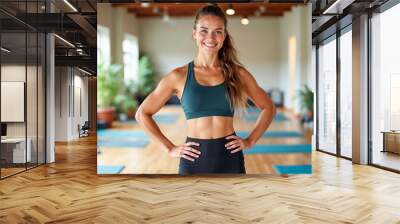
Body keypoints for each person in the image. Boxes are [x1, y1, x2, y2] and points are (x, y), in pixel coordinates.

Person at [135, 4, 276, 174]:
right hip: (193, 158)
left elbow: (269, 107)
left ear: (224, 36)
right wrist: (170, 148)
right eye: (204, 30)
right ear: (194, 33)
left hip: (229, 156)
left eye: (218, 31)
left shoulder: (238, 73)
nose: (211, 37)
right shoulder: (178, 76)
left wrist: (250, 141)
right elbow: (142, 113)